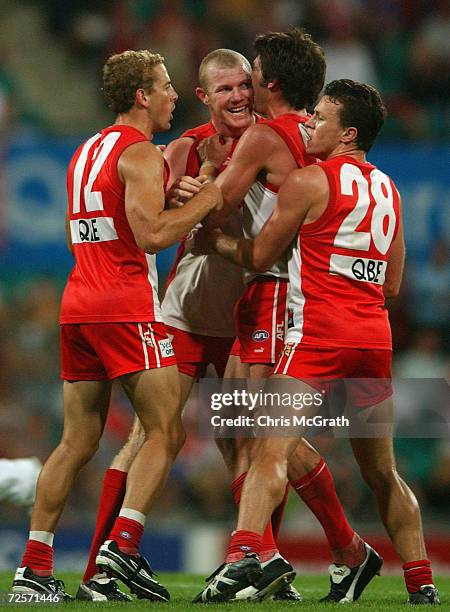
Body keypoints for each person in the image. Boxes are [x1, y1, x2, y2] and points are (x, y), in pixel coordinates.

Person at [194, 79, 440, 606]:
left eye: (320, 118)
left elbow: (260, 256)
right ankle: (421, 585)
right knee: (382, 473)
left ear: (347, 133)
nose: (309, 123)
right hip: (373, 338)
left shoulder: (308, 181)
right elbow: (393, 284)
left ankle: (241, 559)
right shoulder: (389, 190)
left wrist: (214, 240)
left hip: (319, 334)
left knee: (267, 444)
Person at [11, 49, 222, 602]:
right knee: (166, 430)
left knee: (76, 440)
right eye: (167, 85)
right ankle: (120, 549)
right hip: (126, 307)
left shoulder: (85, 152)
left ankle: (33, 570)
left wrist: (162, 199)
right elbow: (153, 237)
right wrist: (206, 200)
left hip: (78, 303)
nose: (174, 94)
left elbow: (82, 228)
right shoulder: (140, 153)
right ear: (141, 95)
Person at [193, 30, 381, 603]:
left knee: (263, 427)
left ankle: (272, 553)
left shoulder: (268, 136)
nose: (246, 81)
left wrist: (192, 186)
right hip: (281, 293)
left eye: (252, 71)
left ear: (269, 81)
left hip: (280, 288)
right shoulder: (312, 133)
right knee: (241, 423)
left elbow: (218, 204)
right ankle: (290, 554)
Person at [75, 47, 250, 602]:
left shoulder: (280, 139)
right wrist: (194, 194)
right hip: (180, 309)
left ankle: (256, 559)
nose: (237, 96)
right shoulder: (177, 146)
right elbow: (153, 225)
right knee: (154, 433)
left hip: (250, 309)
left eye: (244, 85)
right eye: (223, 89)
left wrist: (196, 197)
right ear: (204, 96)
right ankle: (110, 558)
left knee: (249, 438)